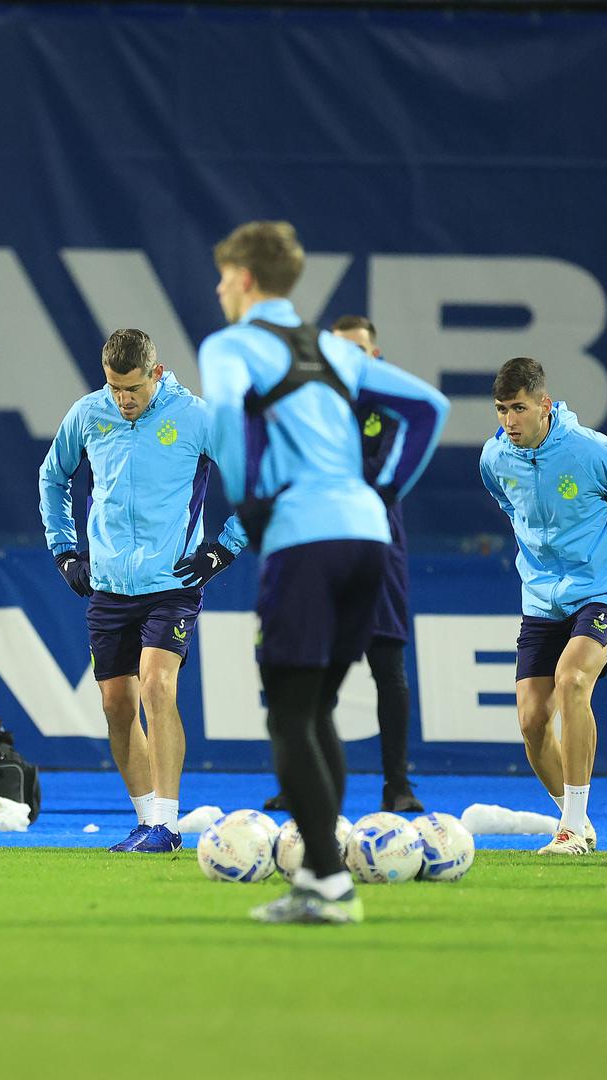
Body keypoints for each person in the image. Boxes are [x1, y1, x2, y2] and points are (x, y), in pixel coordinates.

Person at [198, 221, 449, 924]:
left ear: (245, 279)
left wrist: (249, 500)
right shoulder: (337, 349)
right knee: (314, 715)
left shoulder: (230, 345)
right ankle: (318, 876)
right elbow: (427, 408)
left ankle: (330, 889)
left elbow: (222, 410)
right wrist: (385, 488)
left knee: (287, 715)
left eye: (222, 277)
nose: (218, 289)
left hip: (302, 538)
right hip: (367, 537)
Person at [38, 328, 248, 854]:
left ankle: (168, 825)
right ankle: (147, 819)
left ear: (156, 373)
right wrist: (65, 549)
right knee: (116, 706)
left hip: (171, 583)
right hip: (108, 586)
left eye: (132, 388)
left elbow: (257, 483)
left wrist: (224, 549)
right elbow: (52, 478)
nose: (122, 399)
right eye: (113, 387)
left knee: (157, 686)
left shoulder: (197, 417)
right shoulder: (89, 412)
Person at [481, 358, 607, 855]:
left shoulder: (590, 451)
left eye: (518, 408)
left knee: (573, 679)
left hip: (604, 590)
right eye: (501, 410)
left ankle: (573, 829)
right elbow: (510, 505)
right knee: (533, 723)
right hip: (540, 599)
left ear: (544, 405)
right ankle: (571, 815)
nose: (509, 420)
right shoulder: (494, 460)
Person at [263, 314, 425, 815]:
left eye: (360, 350)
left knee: (387, 669)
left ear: (376, 356)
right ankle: (301, 782)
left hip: (377, 545)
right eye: (342, 350)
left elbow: (387, 473)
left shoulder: (392, 410)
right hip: (314, 545)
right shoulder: (310, 405)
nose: (351, 359)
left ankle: (397, 784)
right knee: (307, 668)